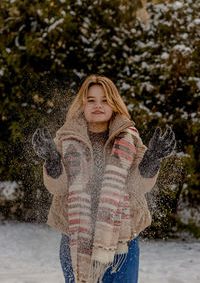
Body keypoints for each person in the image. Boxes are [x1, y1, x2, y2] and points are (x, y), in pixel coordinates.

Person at [32, 74, 176, 283]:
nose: (98, 105)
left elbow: (136, 186)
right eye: (91, 100)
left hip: (122, 240)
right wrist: (52, 159)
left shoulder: (130, 138)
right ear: (83, 103)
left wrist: (152, 158)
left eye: (105, 100)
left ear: (114, 103)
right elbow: (59, 188)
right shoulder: (65, 138)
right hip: (75, 237)